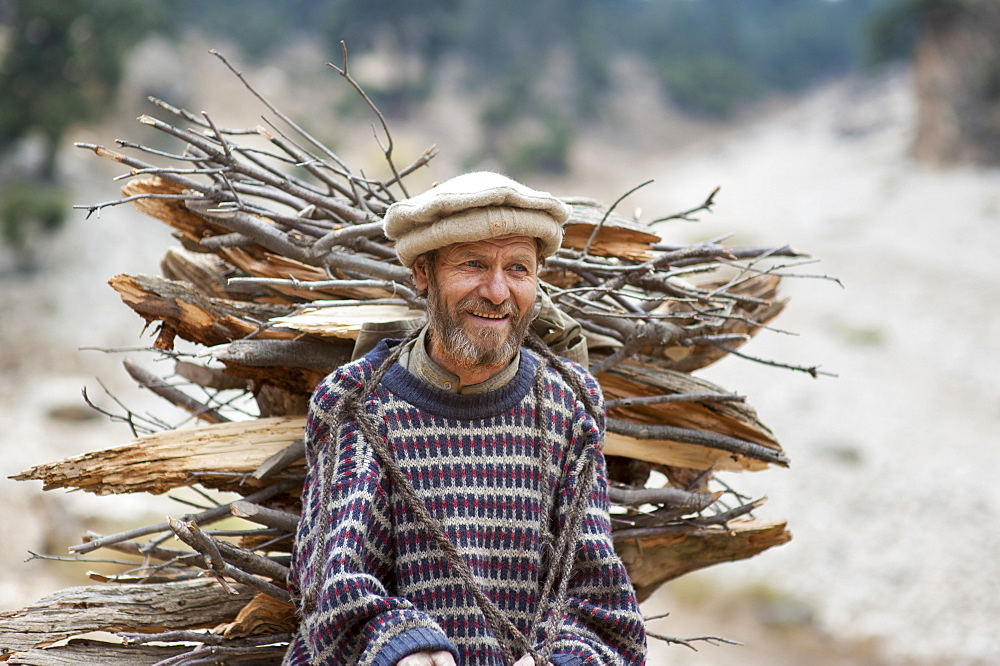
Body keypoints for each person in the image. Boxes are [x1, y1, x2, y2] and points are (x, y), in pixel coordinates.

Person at [283, 172, 647, 666]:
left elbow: (603, 609)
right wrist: (401, 645)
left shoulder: (570, 406)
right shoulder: (357, 401)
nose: (497, 292)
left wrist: (558, 661)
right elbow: (332, 580)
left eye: (518, 268)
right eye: (473, 264)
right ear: (423, 273)